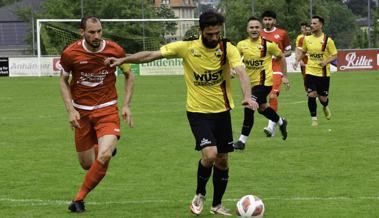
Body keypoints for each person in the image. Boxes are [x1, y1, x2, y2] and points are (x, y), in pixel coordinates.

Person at [105, 11, 257, 216]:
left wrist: (247, 96)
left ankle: (217, 205)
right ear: (200, 30)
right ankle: (200, 193)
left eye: (217, 33)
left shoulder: (226, 47)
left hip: (223, 111)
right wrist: (124, 59)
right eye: (210, 34)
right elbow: (151, 55)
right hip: (198, 112)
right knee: (210, 154)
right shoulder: (187, 47)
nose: (214, 38)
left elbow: (241, 72)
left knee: (222, 159)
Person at [59, 15, 135, 213]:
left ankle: (78, 200)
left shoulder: (115, 50)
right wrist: (70, 110)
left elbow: (129, 74)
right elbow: (63, 80)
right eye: (92, 32)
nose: (97, 35)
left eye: (99, 31)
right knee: (86, 164)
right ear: (82, 32)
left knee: (105, 154)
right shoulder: (70, 53)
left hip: (107, 109)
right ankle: (104, 146)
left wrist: (126, 105)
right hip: (81, 112)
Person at [233, 16, 289, 150]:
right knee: (262, 108)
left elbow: (281, 56)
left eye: (257, 27)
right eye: (251, 27)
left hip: (264, 82)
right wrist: (231, 69)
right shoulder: (241, 45)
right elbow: (234, 59)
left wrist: (284, 77)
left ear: (260, 29)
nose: (254, 29)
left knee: (249, 107)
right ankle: (281, 122)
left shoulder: (268, 45)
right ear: (247, 29)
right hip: (249, 84)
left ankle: (241, 141)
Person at [293, 15, 337, 126]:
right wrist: (297, 61)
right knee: (311, 94)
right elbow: (303, 52)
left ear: (321, 25)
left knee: (323, 98)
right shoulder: (307, 39)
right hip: (310, 71)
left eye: (314, 23)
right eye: (311, 23)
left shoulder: (328, 40)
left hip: (323, 73)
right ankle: (314, 119)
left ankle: (325, 106)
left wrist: (326, 62)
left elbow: (335, 56)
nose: (311, 25)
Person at [259, 10, 291, 137]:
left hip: (276, 68)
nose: (267, 22)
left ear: (274, 21)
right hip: (262, 69)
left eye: (270, 19)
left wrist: (278, 54)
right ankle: (280, 121)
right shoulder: (259, 33)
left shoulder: (282, 33)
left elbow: (287, 52)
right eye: (265, 20)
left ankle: (271, 126)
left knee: (272, 96)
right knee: (261, 103)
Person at [296, 24, 312, 92]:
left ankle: (314, 90)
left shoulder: (314, 38)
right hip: (304, 59)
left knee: (313, 76)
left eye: (309, 30)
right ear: (305, 31)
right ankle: (308, 90)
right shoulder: (302, 39)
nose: (308, 31)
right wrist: (300, 60)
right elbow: (299, 50)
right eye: (306, 30)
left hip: (312, 59)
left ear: (311, 30)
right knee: (305, 77)